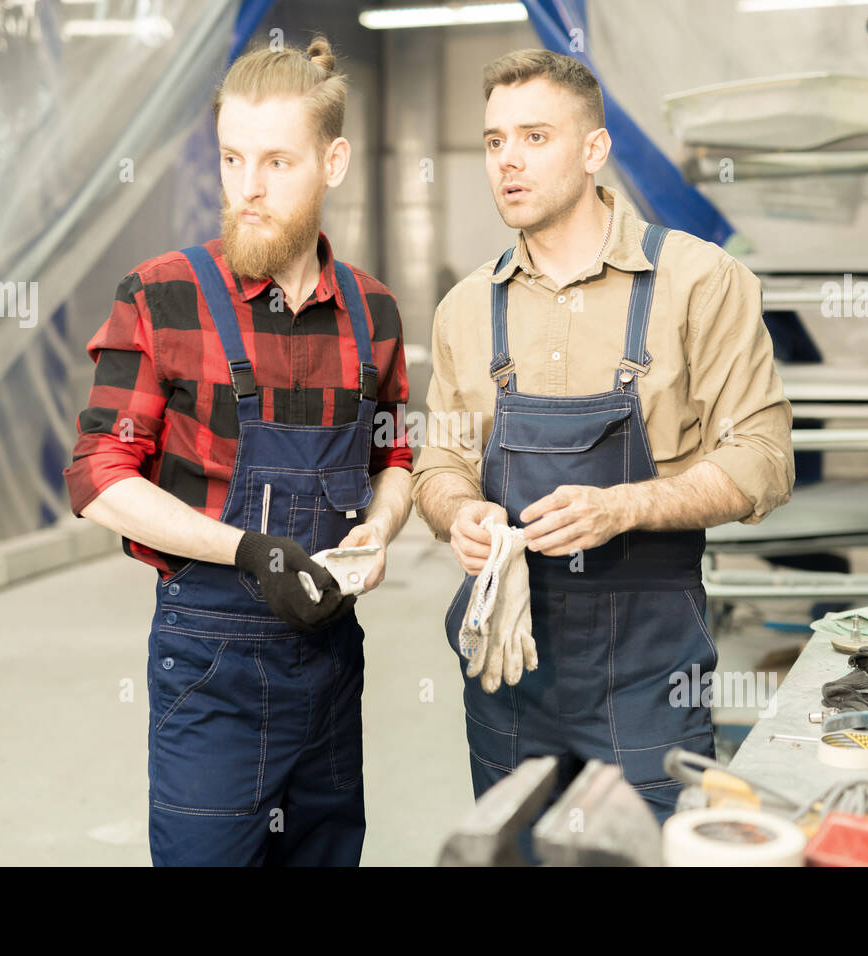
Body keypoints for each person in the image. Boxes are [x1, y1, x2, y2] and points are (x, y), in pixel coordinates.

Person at [411, 49, 794, 830]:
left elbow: (763, 456)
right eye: (493, 141)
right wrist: (459, 513)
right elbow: (440, 459)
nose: (507, 160)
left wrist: (624, 506)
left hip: (649, 668)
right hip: (508, 667)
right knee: (512, 849)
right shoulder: (463, 308)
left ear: (593, 150)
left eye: (535, 137)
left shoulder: (699, 282)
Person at [64, 36, 413, 866]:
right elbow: (97, 475)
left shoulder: (374, 310)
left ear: (333, 162)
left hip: (331, 658)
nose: (247, 189)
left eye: (276, 163)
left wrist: (383, 527)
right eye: (230, 158)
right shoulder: (161, 294)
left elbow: (395, 455)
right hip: (209, 661)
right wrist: (247, 551)